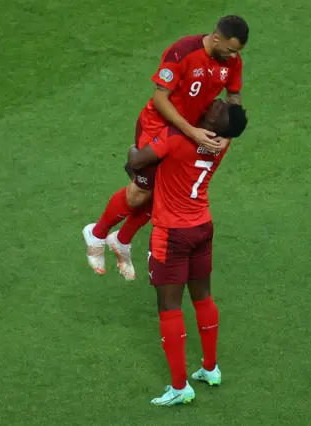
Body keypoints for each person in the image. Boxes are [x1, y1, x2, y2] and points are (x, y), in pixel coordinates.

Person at [82, 16, 250, 280]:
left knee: (165, 195)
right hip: (158, 128)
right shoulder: (183, 52)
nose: (233, 56)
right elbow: (159, 98)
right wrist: (191, 130)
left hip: (187, 135)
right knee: (140, 193)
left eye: (236, 52)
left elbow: (234, 96)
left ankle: (122, 240)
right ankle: (97, 233)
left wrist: (228, 136)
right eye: (230, 49)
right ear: (216, 38)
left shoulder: (231, 61)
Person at [127, 99, 248, 406]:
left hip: (172, 234)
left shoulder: (176, 138)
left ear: (215, 126)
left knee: (169, 308)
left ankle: (180, 387)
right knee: (203, 297)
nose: (217, 101)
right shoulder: (222, 145)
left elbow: (138, 162)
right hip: (202, 227)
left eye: (219, 110)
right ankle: (210, 368)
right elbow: (231, 127)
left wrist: (132, 152)